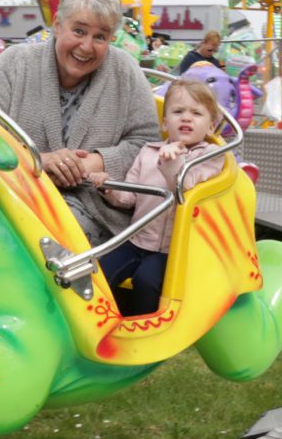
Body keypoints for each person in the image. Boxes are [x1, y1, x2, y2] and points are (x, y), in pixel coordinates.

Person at [0, 0, 160, 245]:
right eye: (79, 31)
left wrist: (91, 164)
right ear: (57, 24)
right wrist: (38, 161)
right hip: (13, 198)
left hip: (96, 212)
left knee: (46, 239)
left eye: (100, 36)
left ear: (111, 38)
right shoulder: (14, 64)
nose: (86, 46)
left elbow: (147, 143)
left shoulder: (124, 71)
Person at [89, 79, 225, 315]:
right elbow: (130, 196)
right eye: (178, 111)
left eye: (196, 113)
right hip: (138, 239)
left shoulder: (211, 156)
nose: (186, 117)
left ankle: (147, 332)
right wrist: (108, 187)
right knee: (99, 272)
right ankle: (102, 324)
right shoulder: (148, 152)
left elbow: (185, 188)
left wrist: (173, 162)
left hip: (171, 248)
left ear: (211, 127)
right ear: (164, 122)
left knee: (147, 282)